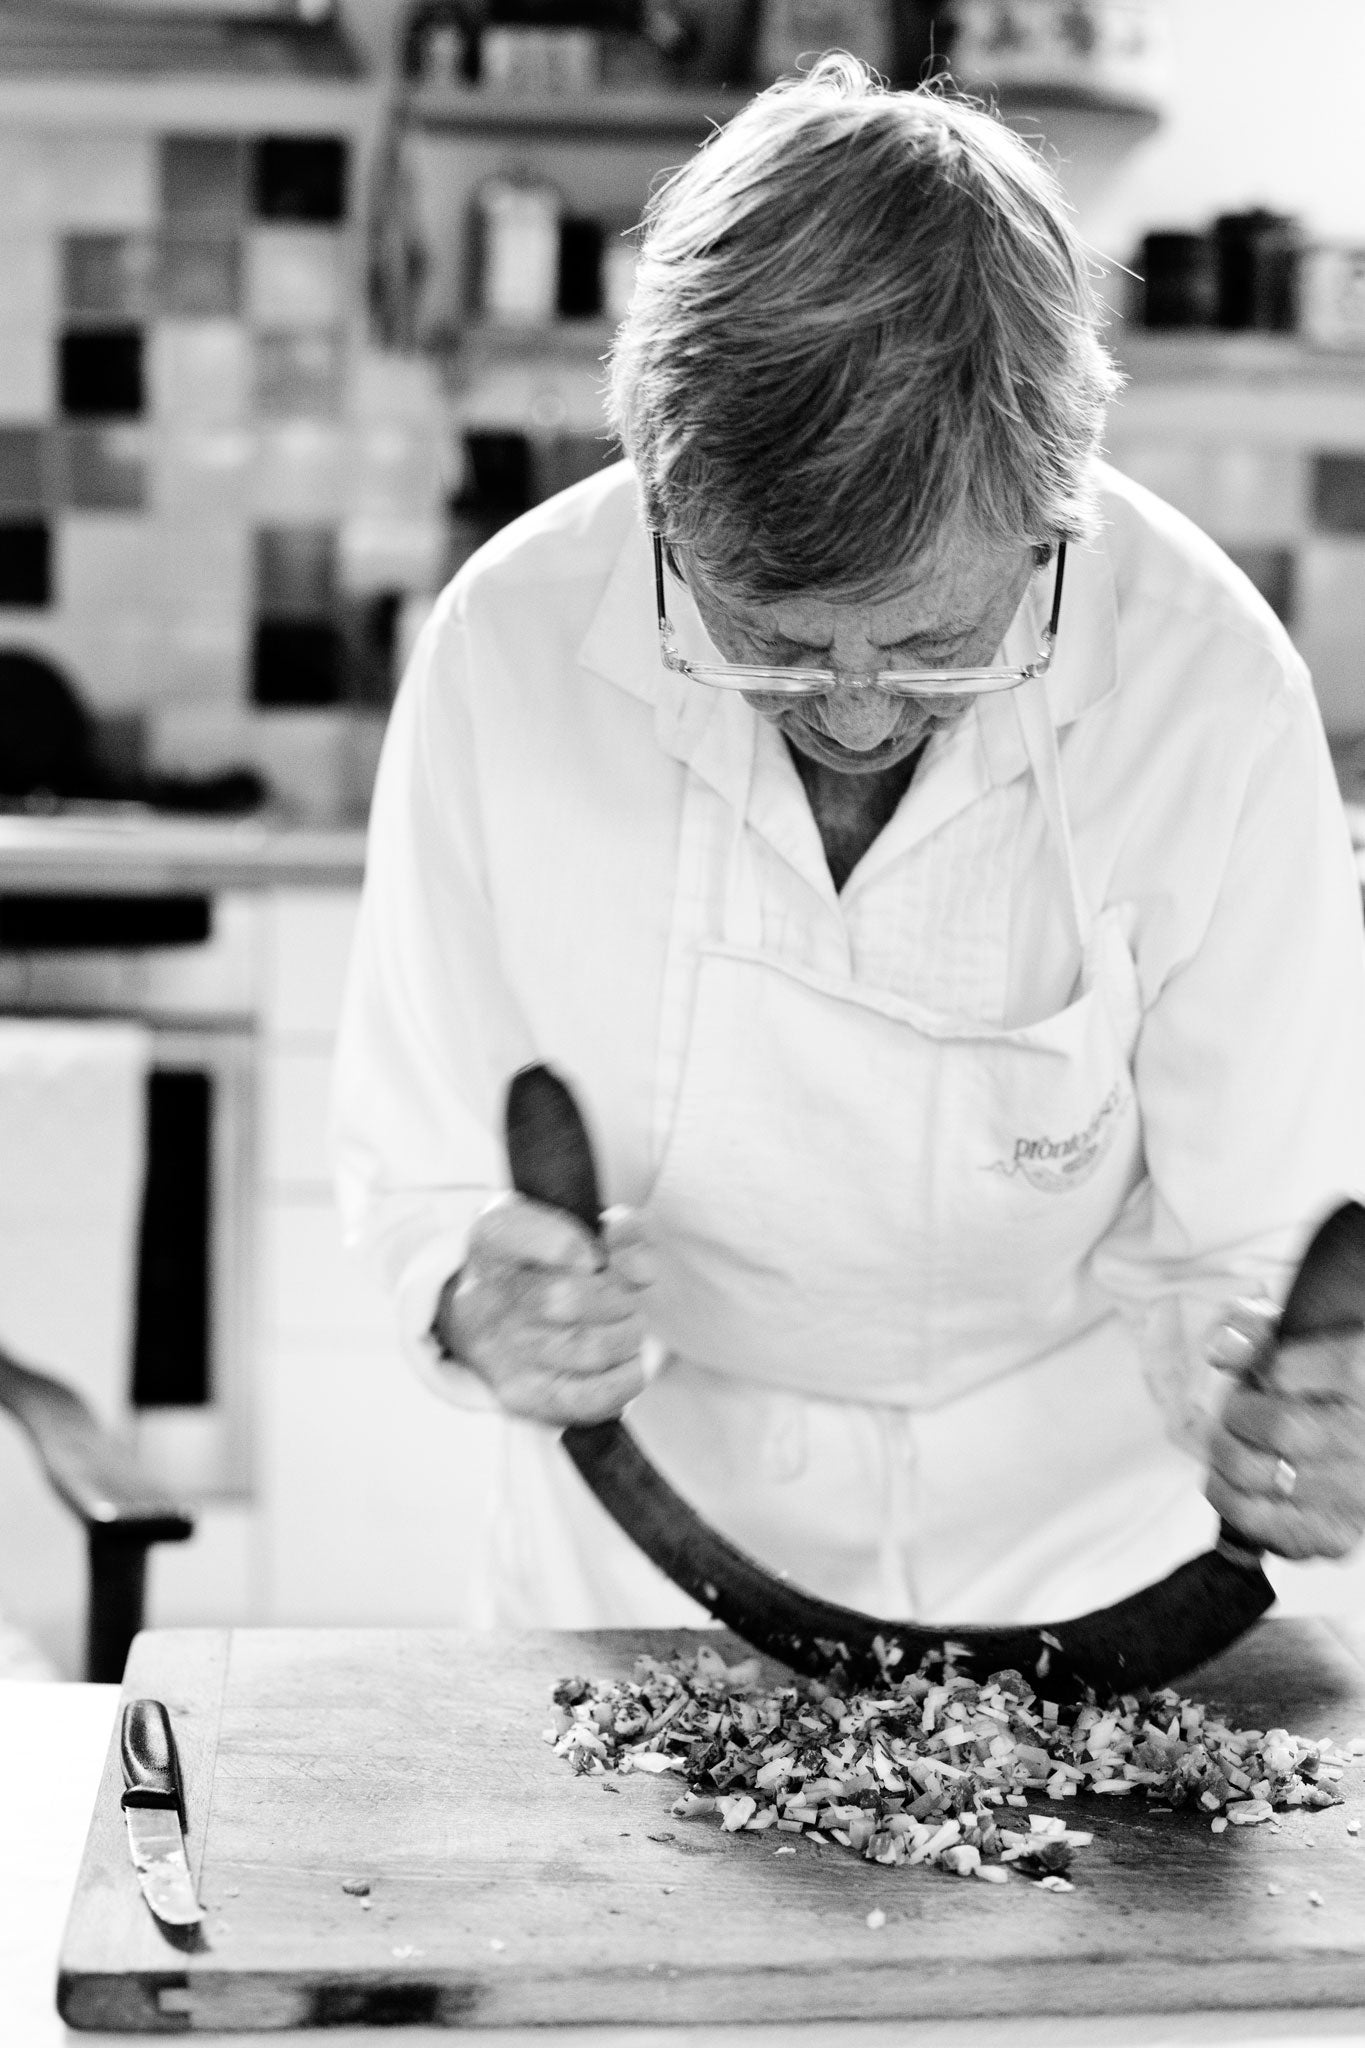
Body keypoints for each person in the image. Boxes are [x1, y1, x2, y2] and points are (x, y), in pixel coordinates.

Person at [332, 58, 1365, 1631]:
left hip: (1090, 1571)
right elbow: (418, 1159)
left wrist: (1296, 1419)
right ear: (663, 512)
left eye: (942, 640)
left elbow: (1255, 1247)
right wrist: (477, 1299)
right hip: (631, 1570)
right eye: (775, 641)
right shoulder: (510, 645)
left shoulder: (1205, 685)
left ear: (1053, 512)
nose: (863, 718)